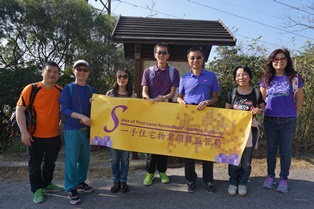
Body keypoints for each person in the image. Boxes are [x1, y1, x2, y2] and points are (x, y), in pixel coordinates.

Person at [16, 61, 64, 204]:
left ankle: (47, 183)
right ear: (42, 72)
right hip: (34, 135)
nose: (52, 74)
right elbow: (20, 110)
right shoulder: (31, 89)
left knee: (50, 162)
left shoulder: (60, 91)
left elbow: (64, 110)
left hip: (54, 135)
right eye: (49, 71)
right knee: (35, 164)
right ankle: (37, 189)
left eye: (55, 72)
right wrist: (24, 132)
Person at [260, 49, 304, 193]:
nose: (279, 61)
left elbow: (299, 97)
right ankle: (270, 176)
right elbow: (261, 100)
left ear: (287, 60)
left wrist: (295, 113)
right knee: (271, 149)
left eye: (282, 58)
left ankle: (284, 179)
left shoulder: (294, 77)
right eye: (275, 59)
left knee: (285, 151)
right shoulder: (267, 78)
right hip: (270, 120)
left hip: (288, 120)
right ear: (271, 61)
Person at [177, 46, 220, 194]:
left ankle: (208, 180)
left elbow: (216, 97)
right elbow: (179, 97)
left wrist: (208, 102)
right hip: (189, 116)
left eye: (198, 57)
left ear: (203, 59)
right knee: (189, 150)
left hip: (206, 116)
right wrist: (180, 102)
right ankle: (191, 180)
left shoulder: (211, 76)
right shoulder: (184, 78)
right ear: (188, 61)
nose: (195, 60)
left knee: (207, 149)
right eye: (192, 58)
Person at [141, 42, 180, 185]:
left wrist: (163, 98)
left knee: (164, 141)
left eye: (164, 52)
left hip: (166, 111)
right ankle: (149, 173)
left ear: (168, 55)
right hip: (151, 111)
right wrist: (149, 99)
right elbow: (144, 92)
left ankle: (163, 172)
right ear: (155, 55)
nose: (161, 55)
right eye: (159, 52)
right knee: (151, 142)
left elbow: (172, 93)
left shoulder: (173, 72)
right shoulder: (148, 71)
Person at [225, 65, 265, 196]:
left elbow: (263, 108)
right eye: (238, 75)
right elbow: (226, 113)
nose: (240, 77)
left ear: (249, 76)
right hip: (234, 132)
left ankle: (242, 182)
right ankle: (233, 182)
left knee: (246, 161)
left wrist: (259, 111)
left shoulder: (256, 92)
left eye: (244, 74)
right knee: (233, 159)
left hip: (249, 132)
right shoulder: (232, 93)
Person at [60, 60, 95, 205]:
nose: (82, 72)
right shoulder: (68, 89)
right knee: (72, 160)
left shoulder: (91, 89)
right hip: (72, 129)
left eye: (85, 70)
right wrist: (81, 117)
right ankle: (71, 188)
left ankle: (81, 182)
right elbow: (64, 109)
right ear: (73, 71)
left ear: (88, 73)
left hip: (87, 130)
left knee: (84, 159)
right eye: (79, 69)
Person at [106, 69, 137, 193]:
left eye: (125, 76)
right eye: (119, 76)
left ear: (128, 79)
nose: (122, 78)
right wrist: (95, 103)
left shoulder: (132, 95)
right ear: (116, 78)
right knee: (114, 158)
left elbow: (136, 112)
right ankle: (115, 181)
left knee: (125, 158)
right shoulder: (110, 94)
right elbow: (103, 110)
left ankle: (123, 181)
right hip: (113, 132)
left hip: (126, 132)